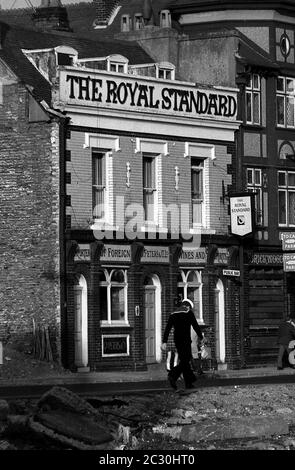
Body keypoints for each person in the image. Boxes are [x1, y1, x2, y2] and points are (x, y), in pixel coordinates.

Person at [161, 298, 204, 390]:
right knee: (185, 360)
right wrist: (201, 337)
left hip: (177, 340)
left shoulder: (173, 313)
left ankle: (189, 383)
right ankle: (173, 375)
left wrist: (164, 341)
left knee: (185, 360)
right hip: (186, 340)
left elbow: (167, 328)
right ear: (188, 306)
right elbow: (195, 326)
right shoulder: (188, 313)